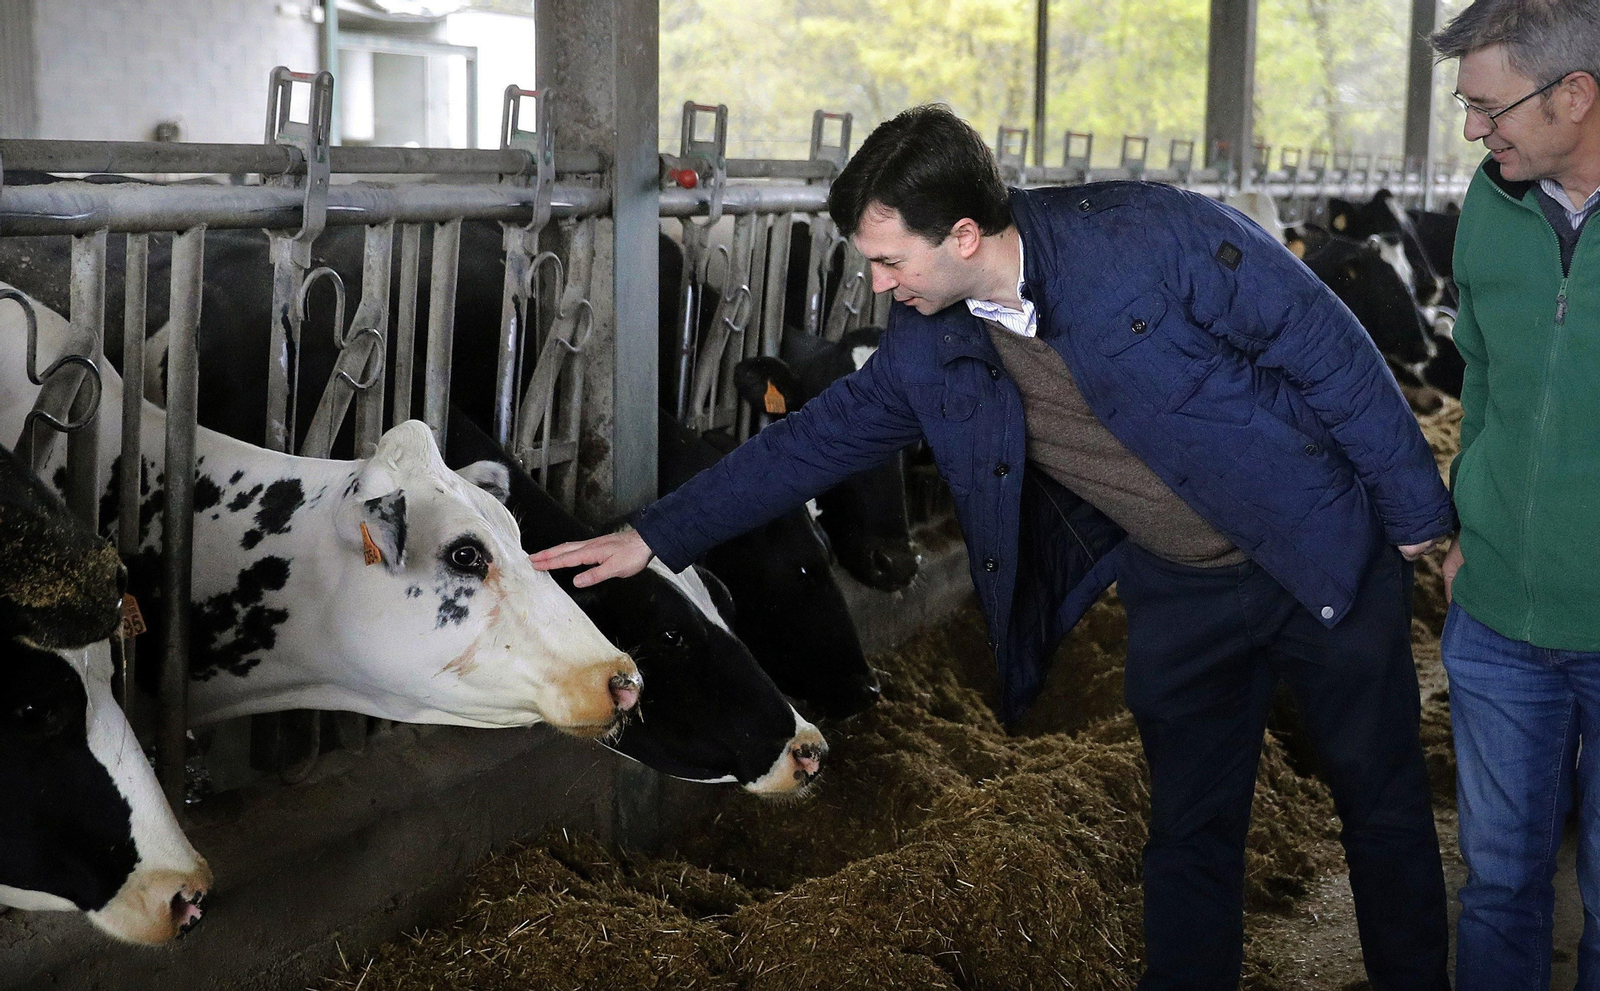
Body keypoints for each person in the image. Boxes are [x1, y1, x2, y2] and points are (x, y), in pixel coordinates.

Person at [533, 105, 1453, 989]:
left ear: (964, 236)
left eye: (892, 262)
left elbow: (1325, 344)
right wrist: (653, 535)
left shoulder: (1152, 237)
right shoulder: (931, 342)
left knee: (1378, 794)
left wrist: (1416, 506)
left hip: (1317, 547)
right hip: (1182, 582)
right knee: (1188, 823)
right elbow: (812, 440)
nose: (881, 285)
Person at [1430, 1, 1600, 986]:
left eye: (1487, 106)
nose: (1471, 130)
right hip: (1495, 619)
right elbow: (1480, 371)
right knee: (1496, 886)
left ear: (1574, 95)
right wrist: (1470, 520)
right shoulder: (1489, 199)